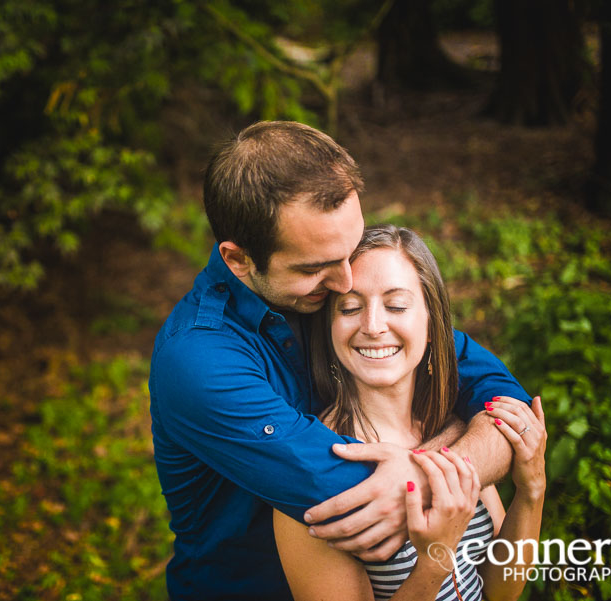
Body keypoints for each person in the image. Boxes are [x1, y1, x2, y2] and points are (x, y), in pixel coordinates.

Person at [149, 121, 531, 601]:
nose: (347, 281)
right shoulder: (198, 361)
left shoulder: (333, 296)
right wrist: (461, 438)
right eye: (313, 268)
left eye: (349, 252)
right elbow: (353, 492)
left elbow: (508, 404)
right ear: (238, 259)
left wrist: (446, 454)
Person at [273, 224, 546, 601]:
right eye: (350, 307)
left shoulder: (459, 430)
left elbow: (500, 592)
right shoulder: (313, 470)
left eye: (396, 305)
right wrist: (436, 559)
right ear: (330, 328)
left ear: (434, 326)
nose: (372, 326)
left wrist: (531, 492)